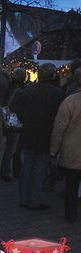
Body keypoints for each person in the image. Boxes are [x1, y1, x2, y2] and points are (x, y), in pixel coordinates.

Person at [13, 63, 64, 210]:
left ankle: (24, 199)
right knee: (39, 168)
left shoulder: (28, 90)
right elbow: (59, 117)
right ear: (53, 75)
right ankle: (34, 200)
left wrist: (27, 120)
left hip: (29, 133)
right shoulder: (57, 93)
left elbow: (18, 110)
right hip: (46, 135)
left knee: (27, 166)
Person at [50, 68, 81, 222]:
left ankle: (70, 215)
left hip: (73, 150)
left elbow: (59, 128)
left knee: (71, 185)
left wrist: (53, 150)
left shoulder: (70, 101)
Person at [0, 68, 26, 181]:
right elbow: (17, 107)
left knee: (11, 148)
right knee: (13, 148)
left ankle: (11, 171)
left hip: (11, 123)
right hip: (17, 123)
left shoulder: (10, 87)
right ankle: (9, 171)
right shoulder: (20, 90)